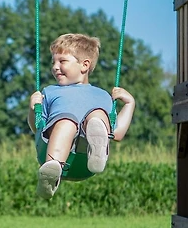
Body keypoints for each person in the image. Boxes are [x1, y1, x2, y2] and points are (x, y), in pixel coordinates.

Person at [27, 33, 135, 199]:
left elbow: (117, 133)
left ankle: (97, 150)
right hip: (55, 152)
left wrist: (129, 104)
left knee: (97, 115)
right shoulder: (49, 92)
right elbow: (37, 127)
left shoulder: (103, 96)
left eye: (62, 61)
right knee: (66, 121)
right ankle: (51, 173)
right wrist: (33, 108)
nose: (55, 67)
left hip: (84, 157)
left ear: (84, 65)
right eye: (53, 62)